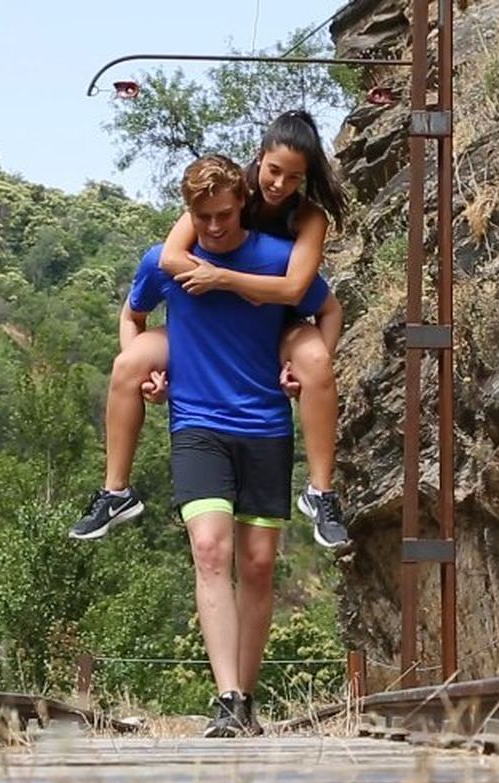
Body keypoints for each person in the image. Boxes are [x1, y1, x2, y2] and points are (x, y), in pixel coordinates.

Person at [122, 154, 338, 737]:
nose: (214, 227)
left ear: (243, 202)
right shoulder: (165, 262)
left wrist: (305, 369)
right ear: (187, 213)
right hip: (196, 426)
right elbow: (133, 316)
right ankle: (228, 698)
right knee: (210, 551)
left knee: (259, 566)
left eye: (223, 214)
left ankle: (246, 701)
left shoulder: (275, 260)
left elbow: (325, 309)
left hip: (265, 426)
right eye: (202, 217)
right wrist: (149, 376)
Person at [69, 111, 351, 548]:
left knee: (315, 360)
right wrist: (154, 376)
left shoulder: (308, 217)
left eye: (294, 177)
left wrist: (225, 280)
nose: (280, 184)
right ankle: (116, 492)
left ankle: (320, 492)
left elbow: (296, 289)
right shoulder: (224, 192)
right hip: (205, 329)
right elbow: (169, 258)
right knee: (129, 363)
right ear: (259, 158)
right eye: (274, 171)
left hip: (276, 325)